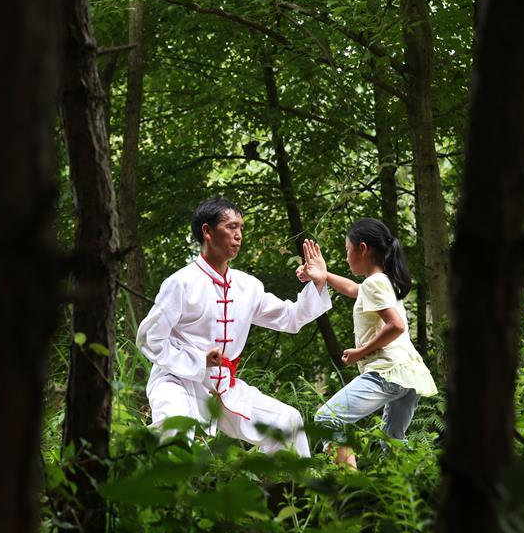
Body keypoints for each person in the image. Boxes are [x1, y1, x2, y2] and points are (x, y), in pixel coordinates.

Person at [136, 196, 331, 456]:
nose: (239, 235)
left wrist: (317, 283)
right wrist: (198, 359)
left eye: (241, 228)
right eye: (231, 227)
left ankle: (280, 494)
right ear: (207, 231)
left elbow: (290, 318)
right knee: (175, 433)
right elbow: (149, 338)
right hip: (176, 381)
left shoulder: (248, 286)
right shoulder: (180, 283)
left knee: (288, 422)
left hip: (225, 388)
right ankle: (140, 483)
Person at [297, 218, 437, 468]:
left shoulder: (375, 283)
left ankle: (351, 487)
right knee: (393, 441)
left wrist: (360, 352)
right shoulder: (381, 281)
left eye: (347, 250)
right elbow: (354, 289)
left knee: (328, 418)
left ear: (362, 249)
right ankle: (407, 494)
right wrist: (324, 274)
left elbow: (396, 326)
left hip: (387, 371)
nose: (347, 256)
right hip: (409, 375)